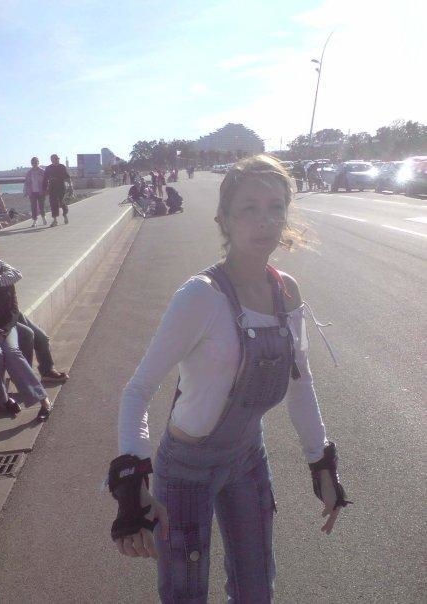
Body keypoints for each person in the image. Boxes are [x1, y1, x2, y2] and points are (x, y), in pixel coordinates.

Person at [107, 155, 350, 602]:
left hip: (247, 458)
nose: (265, 220)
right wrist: (131, 487)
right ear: (224, 219)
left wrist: (321, 464)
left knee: (256, 588)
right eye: (249, 208)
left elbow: (301, 382)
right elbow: (138, 390)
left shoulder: (287, 290)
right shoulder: (200, 296)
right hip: (186, 469)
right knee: (185, 593)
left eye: (275, 207)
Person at [0, 235, 53, 420]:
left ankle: (43, 400)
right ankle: (3, 399)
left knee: (12, 352)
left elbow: (14, 309)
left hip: (4, 327)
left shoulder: (4, 275)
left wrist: (6, 329)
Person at [43, 154, 73, 227]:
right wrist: (44, 189)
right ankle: (55, 220)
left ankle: (65, 215)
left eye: (57, 159)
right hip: (52, 188)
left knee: (62, 202)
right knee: (53, 204)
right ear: (51, 160)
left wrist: (71, 187)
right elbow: (45, 179)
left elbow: (67, 177)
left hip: (61, 187)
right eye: (55, 159)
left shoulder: (62, 167)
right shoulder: (48, 168)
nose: (56, 160)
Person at [24, 157, 47, 227]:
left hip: (41, 192)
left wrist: (46, 190)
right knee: (33, 207)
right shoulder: (29, 172)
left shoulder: (42, 171)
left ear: (38, 162)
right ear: (31, 163)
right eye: (33, 162)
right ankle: (34, 221)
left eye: (35, 162)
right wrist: (25, 192)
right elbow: (26, 183)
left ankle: (43, 218)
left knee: (41, 206)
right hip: (32, 192)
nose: (34, 164)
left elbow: (46, 182)